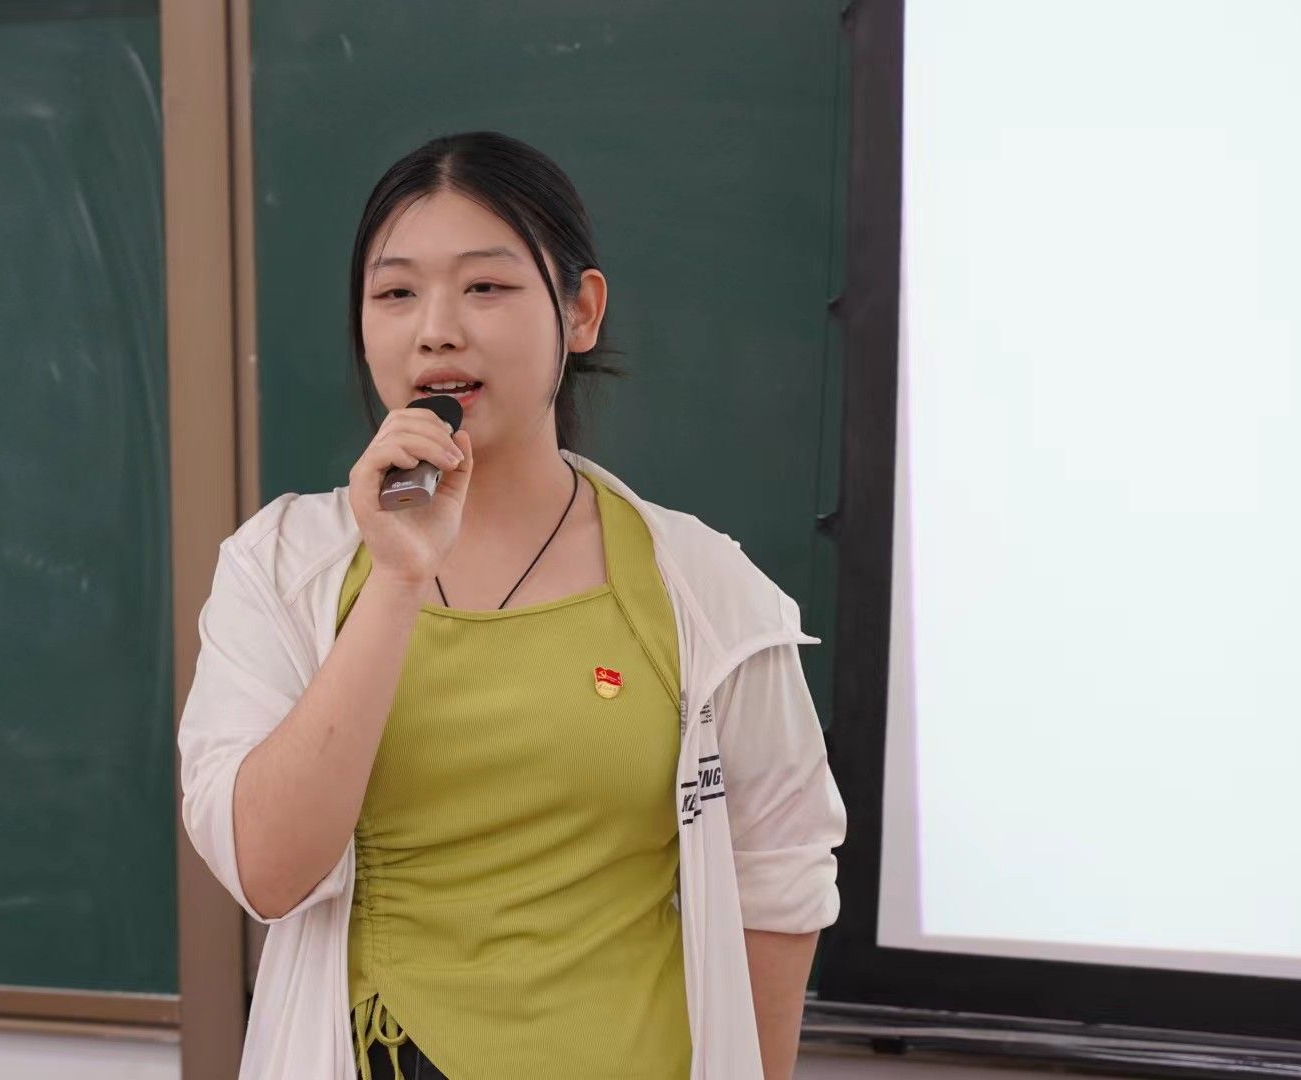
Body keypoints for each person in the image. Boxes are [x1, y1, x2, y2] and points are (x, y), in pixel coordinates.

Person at [178, 131, 846, 1080]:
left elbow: (778, 877)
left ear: (581, 311)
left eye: (485, 286)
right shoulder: (281, 566)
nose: (436, 330)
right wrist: (399, 576)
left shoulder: (703, 587)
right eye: (395, 293)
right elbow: (268, 872)